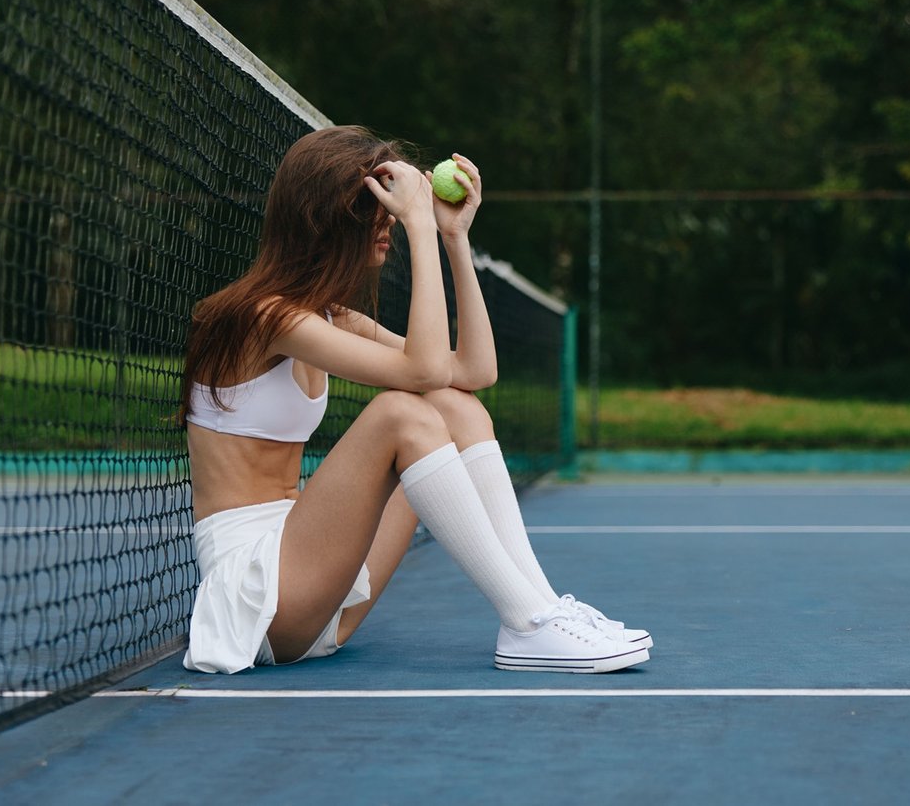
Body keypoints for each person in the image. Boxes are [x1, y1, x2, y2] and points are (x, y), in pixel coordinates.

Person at [177, 125, 648, 674]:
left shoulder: (331, 317)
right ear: (328, 215)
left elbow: (473, 373)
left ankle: (538, 609)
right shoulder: (264, 316)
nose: (389, 223)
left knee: (456, 406)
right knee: (400, 412)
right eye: (374, 206)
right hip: (257, 598)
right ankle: (528, 622)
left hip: (321, 594)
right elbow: (421, 370)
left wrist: (452, 238)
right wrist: (419, 226)